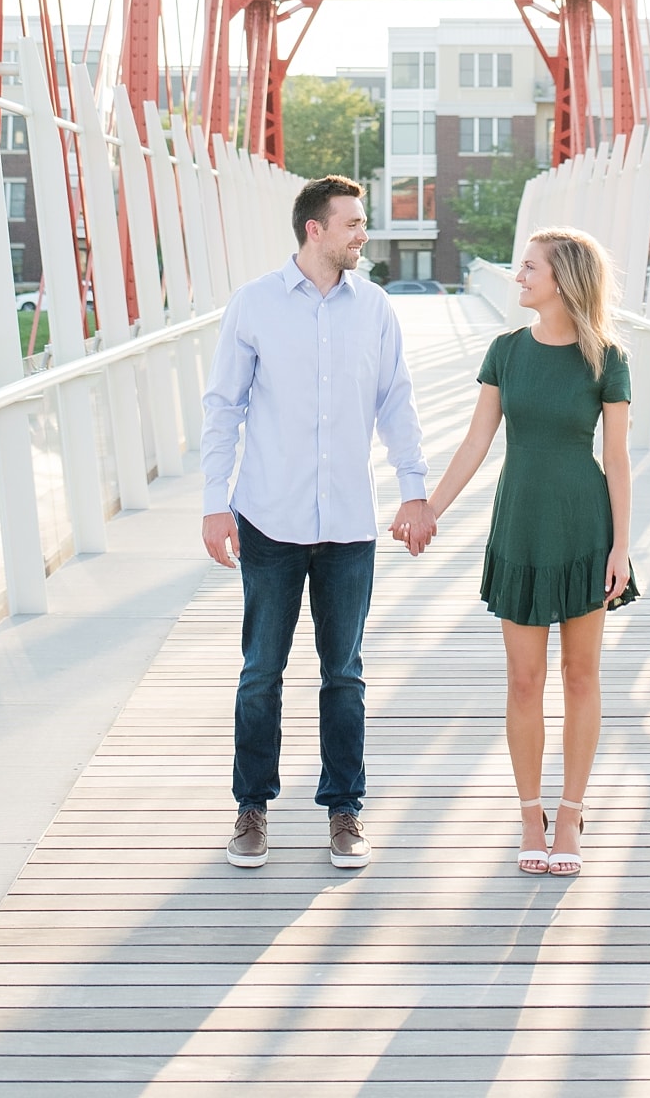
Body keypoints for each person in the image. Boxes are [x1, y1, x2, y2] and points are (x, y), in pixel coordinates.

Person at [201, 174, 436, 871]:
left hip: (349, 524)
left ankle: (344, 809)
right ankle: (252, 807)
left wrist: (414, 490)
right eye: (353, 223)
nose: (364, 233)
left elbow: (398, 402)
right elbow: (224, 406)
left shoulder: (377, 310)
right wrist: (215, 501)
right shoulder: (254, 305)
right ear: (315, 229)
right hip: (268, 518)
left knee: (345, 674)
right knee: (260, 672)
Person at [420, 227, 635, 876]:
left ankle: (571, 813)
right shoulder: (506, 351)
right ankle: (530, 812)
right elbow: (475, 442)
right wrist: (430, 508)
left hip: (583, 529)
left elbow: (618, 460)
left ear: (563, 278)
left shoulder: (607, 359)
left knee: (580, 675)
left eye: (529, 268)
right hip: (520, 524)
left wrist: (622, 546)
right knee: (523, 679)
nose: (517, 277)